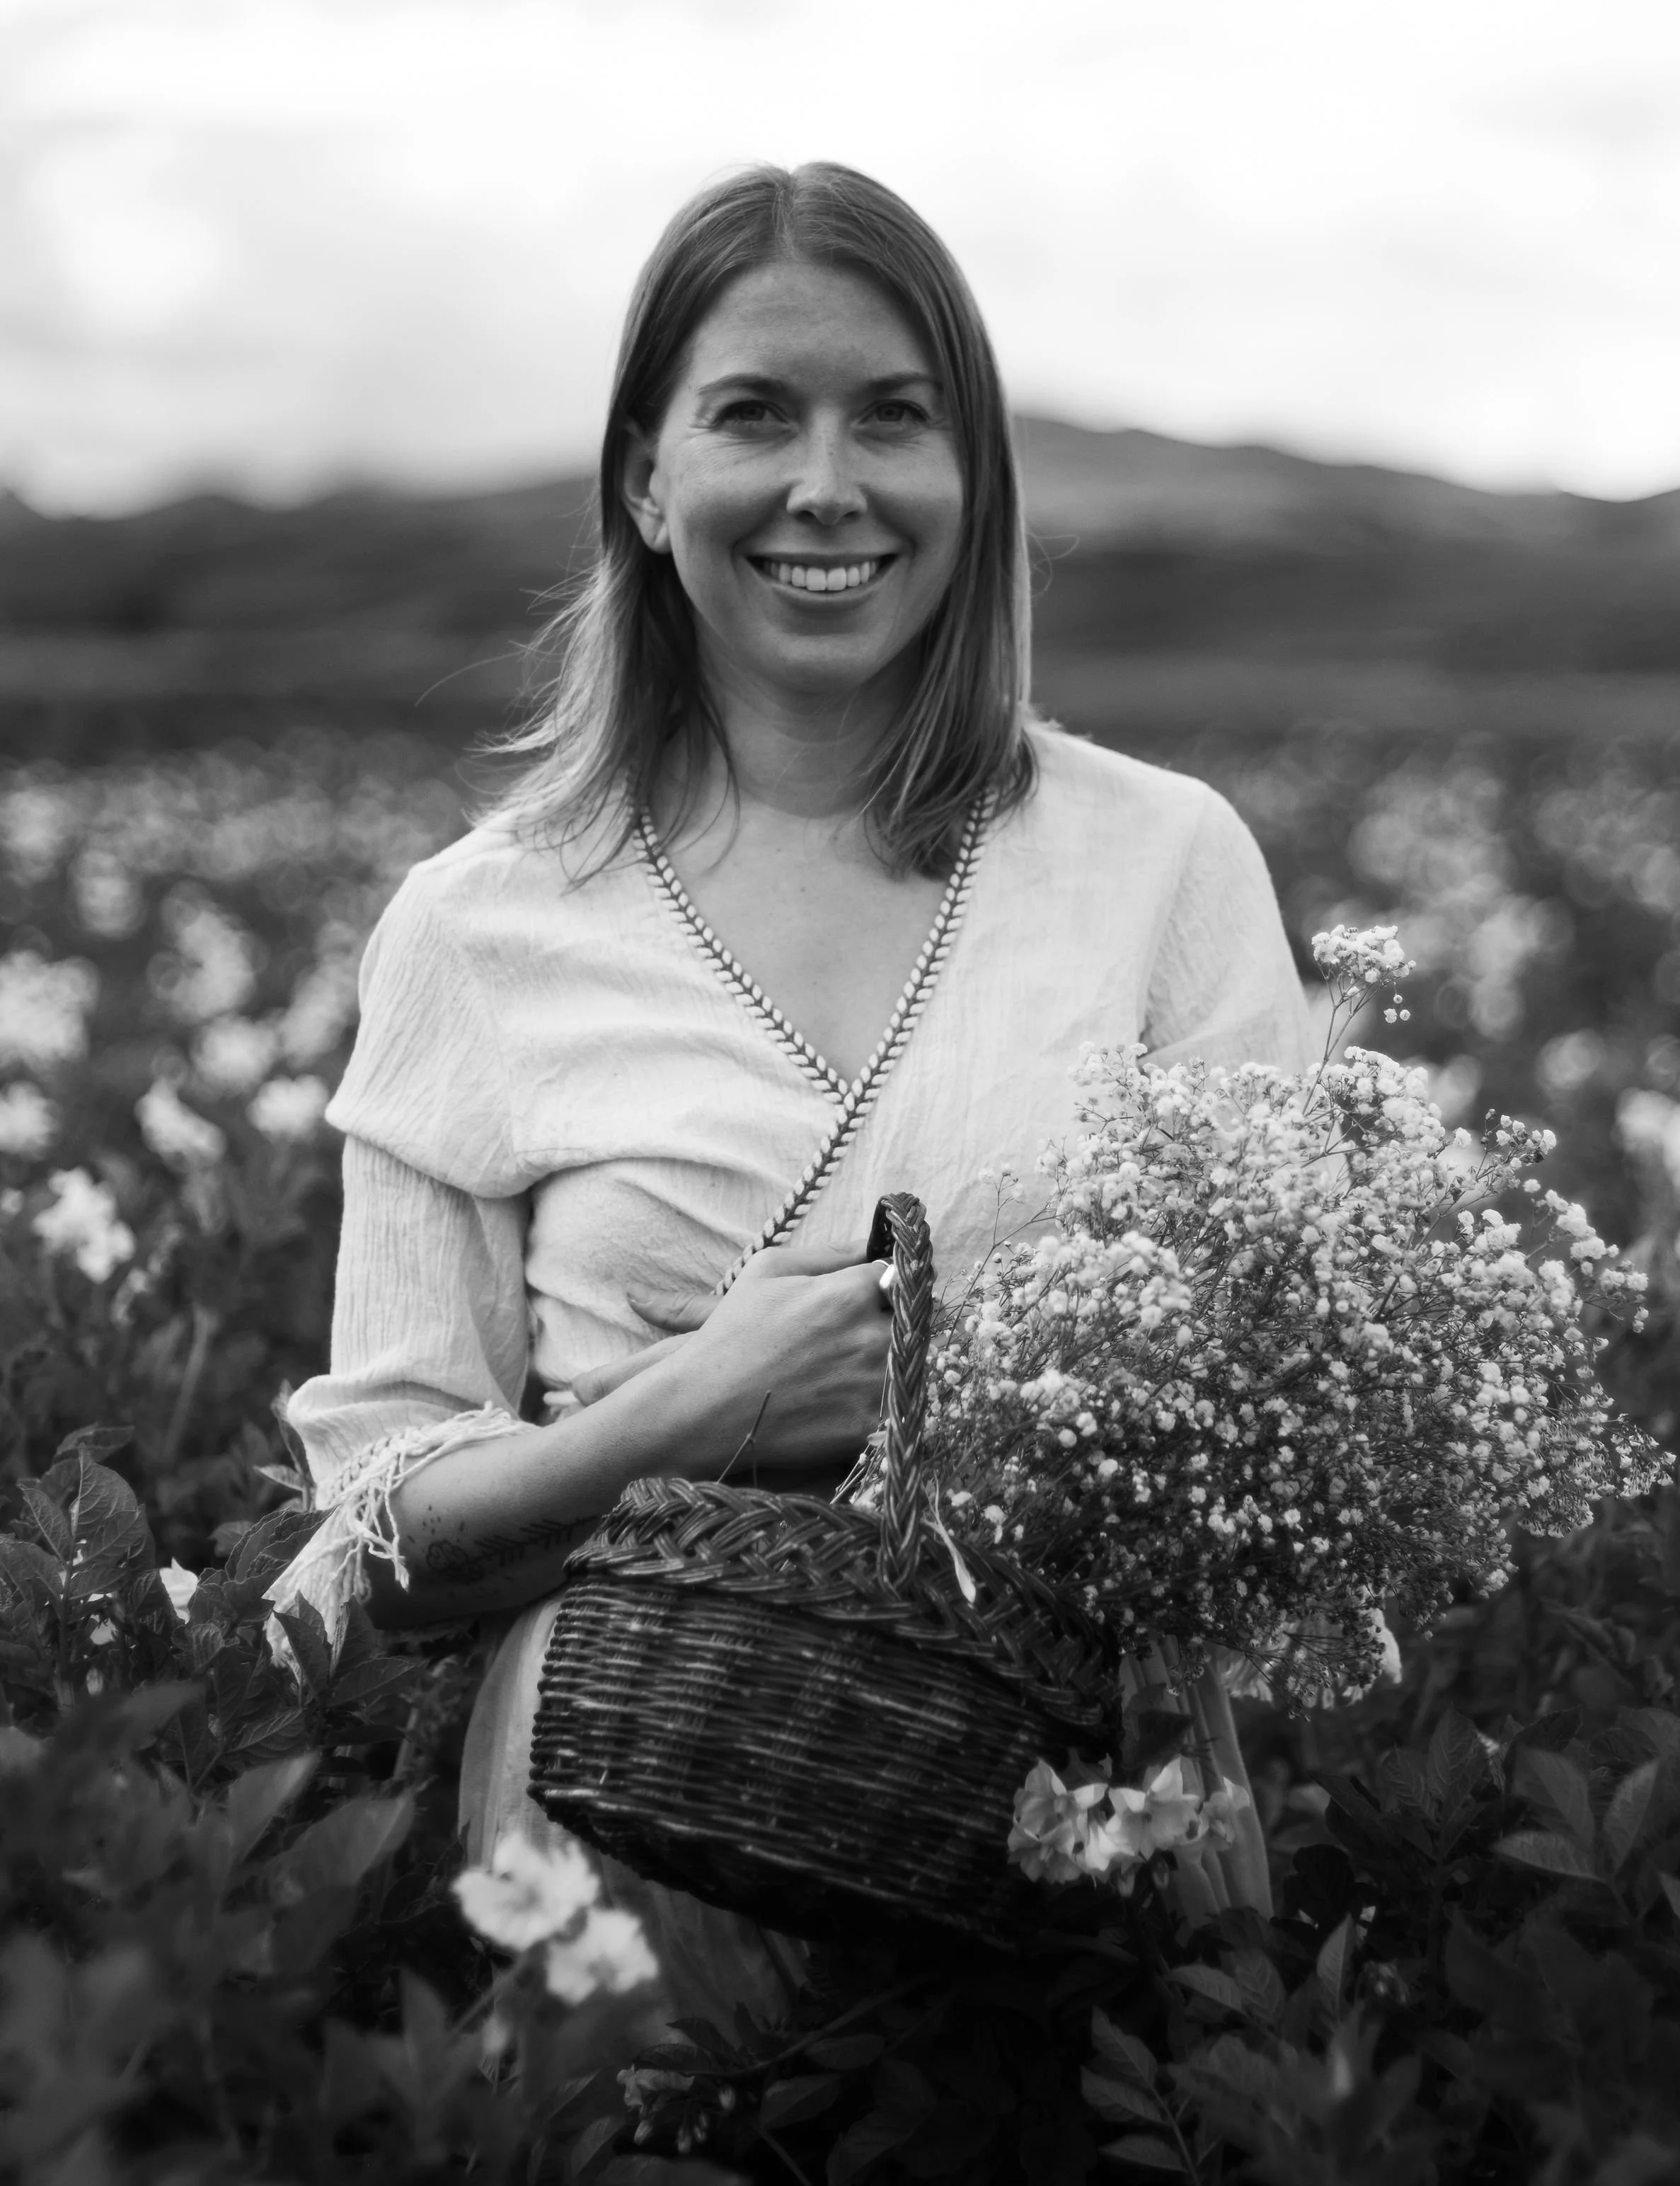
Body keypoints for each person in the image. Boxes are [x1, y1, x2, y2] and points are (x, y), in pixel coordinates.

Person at [267, 160, 1311, 2022]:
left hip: (1085, 1837)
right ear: (647, 482)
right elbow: (375, 1540)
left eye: (895, 419)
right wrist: (699, 1405)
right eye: (756, 414)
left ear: (971, 477)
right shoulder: (479, 929)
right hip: (620, 1851)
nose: (829, 486)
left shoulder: (1167, 864)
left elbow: (1296, 1442)